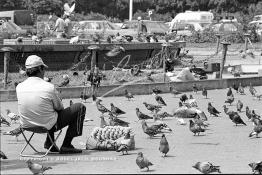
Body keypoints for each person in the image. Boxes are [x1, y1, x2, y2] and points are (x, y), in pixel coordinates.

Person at [16, 55, 86, 154]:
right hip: (47, 126)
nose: (44, 71)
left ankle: (50, 142)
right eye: (43, 68)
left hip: (26, 125)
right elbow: (60, 108)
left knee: (47, 109)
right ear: (40, 69)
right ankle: (66, 145)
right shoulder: (48, 87)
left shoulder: (19, 87)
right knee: (80, 107)